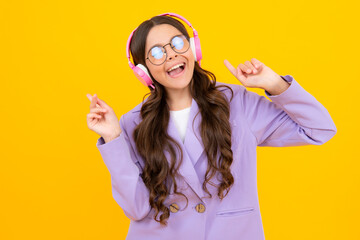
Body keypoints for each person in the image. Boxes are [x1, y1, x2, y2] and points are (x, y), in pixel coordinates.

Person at [86, 13, 337, 240]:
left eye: (177, 43)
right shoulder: (132, 124)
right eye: (158, 52)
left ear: (193, 47)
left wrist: (274, 84)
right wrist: (112, 138)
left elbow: (320, 129)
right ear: (143, 71)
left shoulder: (237, 102)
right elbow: (136, 208)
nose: (171, 54)